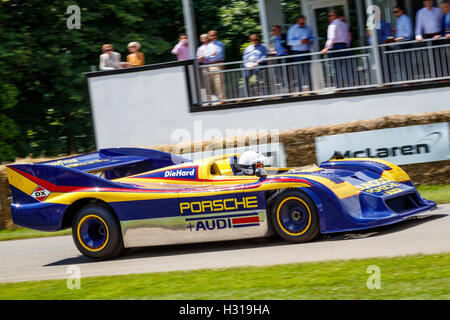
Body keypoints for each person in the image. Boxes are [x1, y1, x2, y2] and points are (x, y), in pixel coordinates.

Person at [320, 9, 352, 88]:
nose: (328, 17)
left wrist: (326, 48)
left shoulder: (332, 24)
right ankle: (348, 85)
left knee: (337, 68)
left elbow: (332, 38)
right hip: (344, 46)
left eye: (330, 16)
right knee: (345, 67)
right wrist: (347, 46)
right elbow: (348, 37)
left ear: (335, 16)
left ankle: (339, 87)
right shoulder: (344, 24)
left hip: (336, 47)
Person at [287, 15, 315, 92]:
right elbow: (289, 42)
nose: (303, 24)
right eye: (301, 23)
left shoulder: (308, 28)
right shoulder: (292, 29)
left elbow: (313, 38)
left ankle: (311, 91)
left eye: (304, 22)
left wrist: (309, 41)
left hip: (306, 52)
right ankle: (300, 91)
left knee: (308, 72)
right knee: (299, 73)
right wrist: (300, 41)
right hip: (297, 53)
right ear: (298, 21)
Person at [203, 30, 226, 105]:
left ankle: (222, 100)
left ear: (217, 35)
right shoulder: (208, 45)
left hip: (218, 64)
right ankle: (212, 101)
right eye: (211, 35)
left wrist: (209, 56)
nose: (213, 36)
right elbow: (205, 56)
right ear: (209, 36)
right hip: (210, 65)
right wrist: (211, 55)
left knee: (219, 83)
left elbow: (219, 55)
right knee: (211, 84)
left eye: (214, 35)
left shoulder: (220, 44)